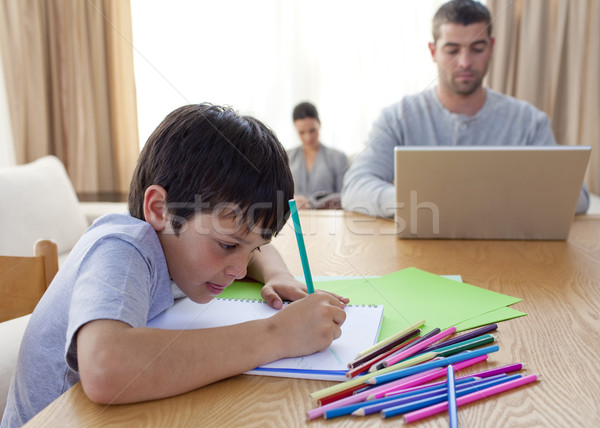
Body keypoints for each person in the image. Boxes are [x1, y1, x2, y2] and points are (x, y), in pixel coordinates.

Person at [1, 103, 349, 427]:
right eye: (227, 245)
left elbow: (250, 246)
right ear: (159, 210)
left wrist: (277, 274)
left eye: (253, 248)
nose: (240, 269)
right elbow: (106, 367)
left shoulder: (179, 247)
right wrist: (278, 334)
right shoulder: (121, 248)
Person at [341, 0, 589, 218]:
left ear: (491, 48)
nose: (465, 62)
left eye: (477, 48)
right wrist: (427, 204)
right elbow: (355, 187)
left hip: (509, 257)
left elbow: (578, 197)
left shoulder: (529, 121)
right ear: (433, 51)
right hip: (419, 255)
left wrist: (490, 203)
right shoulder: (398, 117)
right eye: (452, 50)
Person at [287, 102, 348, 209]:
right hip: (295, 220)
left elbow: (345, 197)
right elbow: (278, 195)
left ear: (319, 124)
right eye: (302, 132)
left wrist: (310, 203)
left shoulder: (338, 157)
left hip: (329, 220)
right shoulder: (286, 157)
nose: (308, 138)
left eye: (312, 130)